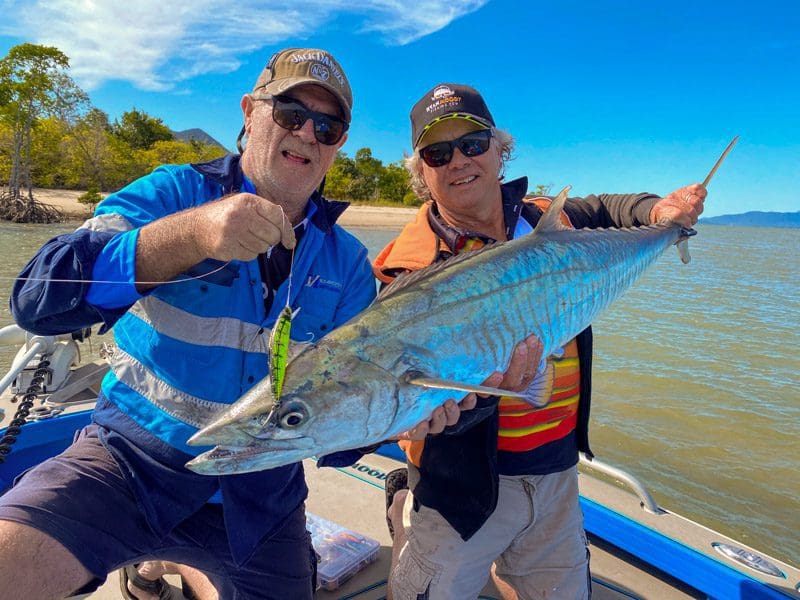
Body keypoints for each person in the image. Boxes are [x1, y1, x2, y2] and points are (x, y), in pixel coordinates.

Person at [0, 47, 378, 600]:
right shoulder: (172, 194)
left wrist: (406, 414)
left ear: (339, 142)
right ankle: (152, 559)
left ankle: (160, 563)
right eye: (291, 113)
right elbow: (39, 297)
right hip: (128, 460)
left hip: (261, 491)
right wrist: (187, 237)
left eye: (329, 125)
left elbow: (339, 428)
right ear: (251, 112)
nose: (308, 134)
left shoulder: (347, 263)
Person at [375, 83, 706, 600]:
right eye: (438, 153)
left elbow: (616, 208)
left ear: (499, 150)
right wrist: (438, 410)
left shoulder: (549, 218)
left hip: (556, 474)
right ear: (422, 173)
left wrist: (661, 214)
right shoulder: (406, 271)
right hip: (457, 493)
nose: (459, 160)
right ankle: (404, 504)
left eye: (473, 144)